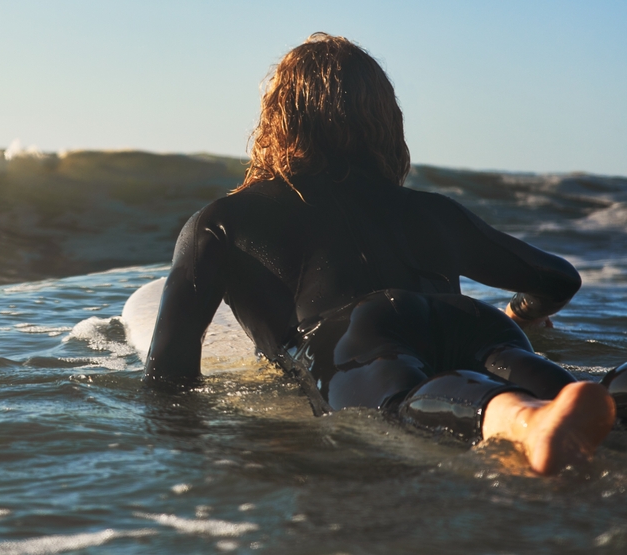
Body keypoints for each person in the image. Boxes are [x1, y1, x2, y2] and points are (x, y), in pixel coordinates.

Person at [143, 33, 617, 475]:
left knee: (408, 398)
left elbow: (168, 376)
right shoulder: (433, 211)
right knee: (555, 384)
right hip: (472, 320)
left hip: (357, 336)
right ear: (387, 123)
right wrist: (519, 312)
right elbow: (558, 279)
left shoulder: (221, 221)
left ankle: (531, 423)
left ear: (276, 119)